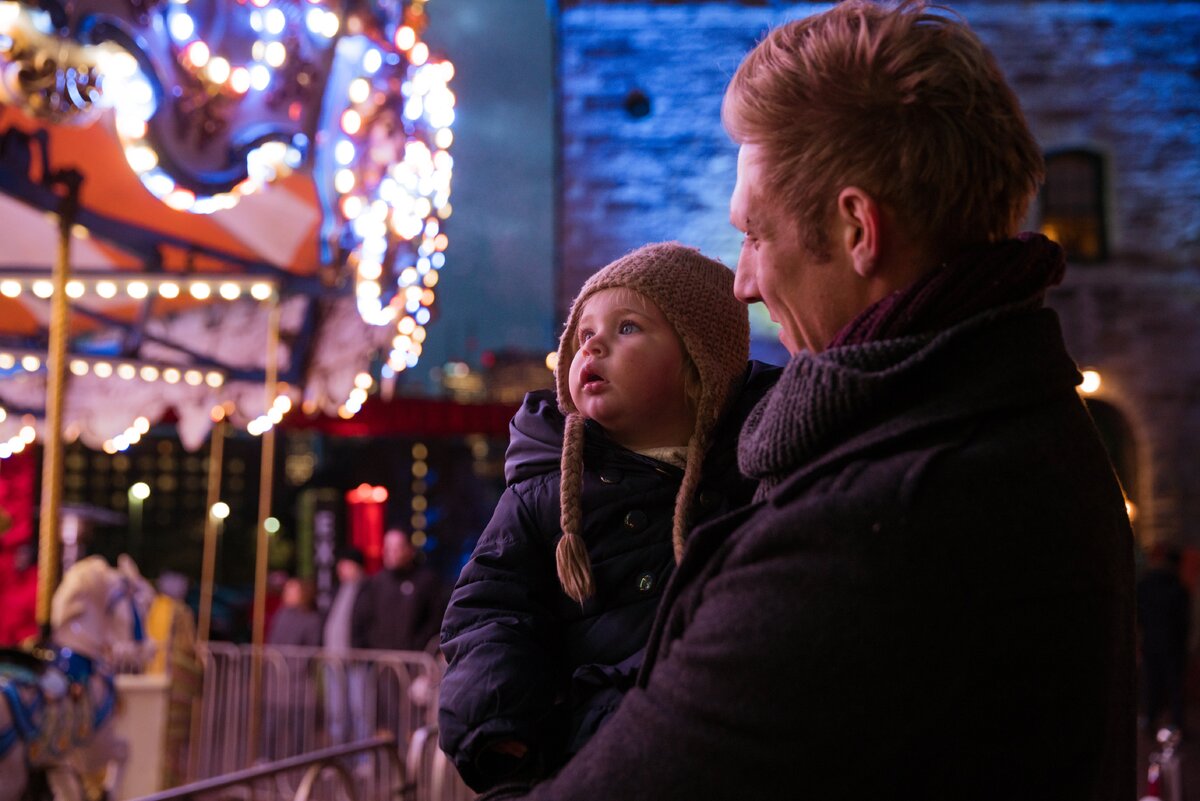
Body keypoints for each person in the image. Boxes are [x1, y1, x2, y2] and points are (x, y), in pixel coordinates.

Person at [479, 3, 1135, 799]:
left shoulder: (872, 532)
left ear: (858, 227)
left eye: (755, 236)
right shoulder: (1015, 413)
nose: (745, 284)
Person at [439, 242, 777, 792]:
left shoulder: (757, 467)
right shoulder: (540, 493)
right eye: (583, 334)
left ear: (700, 361)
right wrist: (501, 725)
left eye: (627, 328)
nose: (592, 343)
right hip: (586, 755)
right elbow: (487, 613)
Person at [351, 528, 444, 652]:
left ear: (410, 550)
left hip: (415, 662)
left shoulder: (426, 582)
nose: (392, 553)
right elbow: (361, 620)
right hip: (380, 662)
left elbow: (436, 620)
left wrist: (419, 646)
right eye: (388, 548)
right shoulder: (375, 583)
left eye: (397, 548)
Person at [1138, 545, 1189, 737]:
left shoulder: (1146, 584)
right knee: (1174, 685)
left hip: (1151, 641)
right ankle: (1177, 724)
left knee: (1151, 683)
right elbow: (1183, 621)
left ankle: (1150, 720)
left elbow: (1139, 613)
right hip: (1172, 644)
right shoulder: (1177, 586)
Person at [322, 547, 369, 746]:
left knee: (360, 711)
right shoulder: (337, 589)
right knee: (336, 711)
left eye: (345, 564)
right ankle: (339, 757)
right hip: (333, 661)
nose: (340, 569)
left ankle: (364, 760)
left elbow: (370, 622)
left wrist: (362, 647)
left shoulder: (368, 590)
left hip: (356, 661)